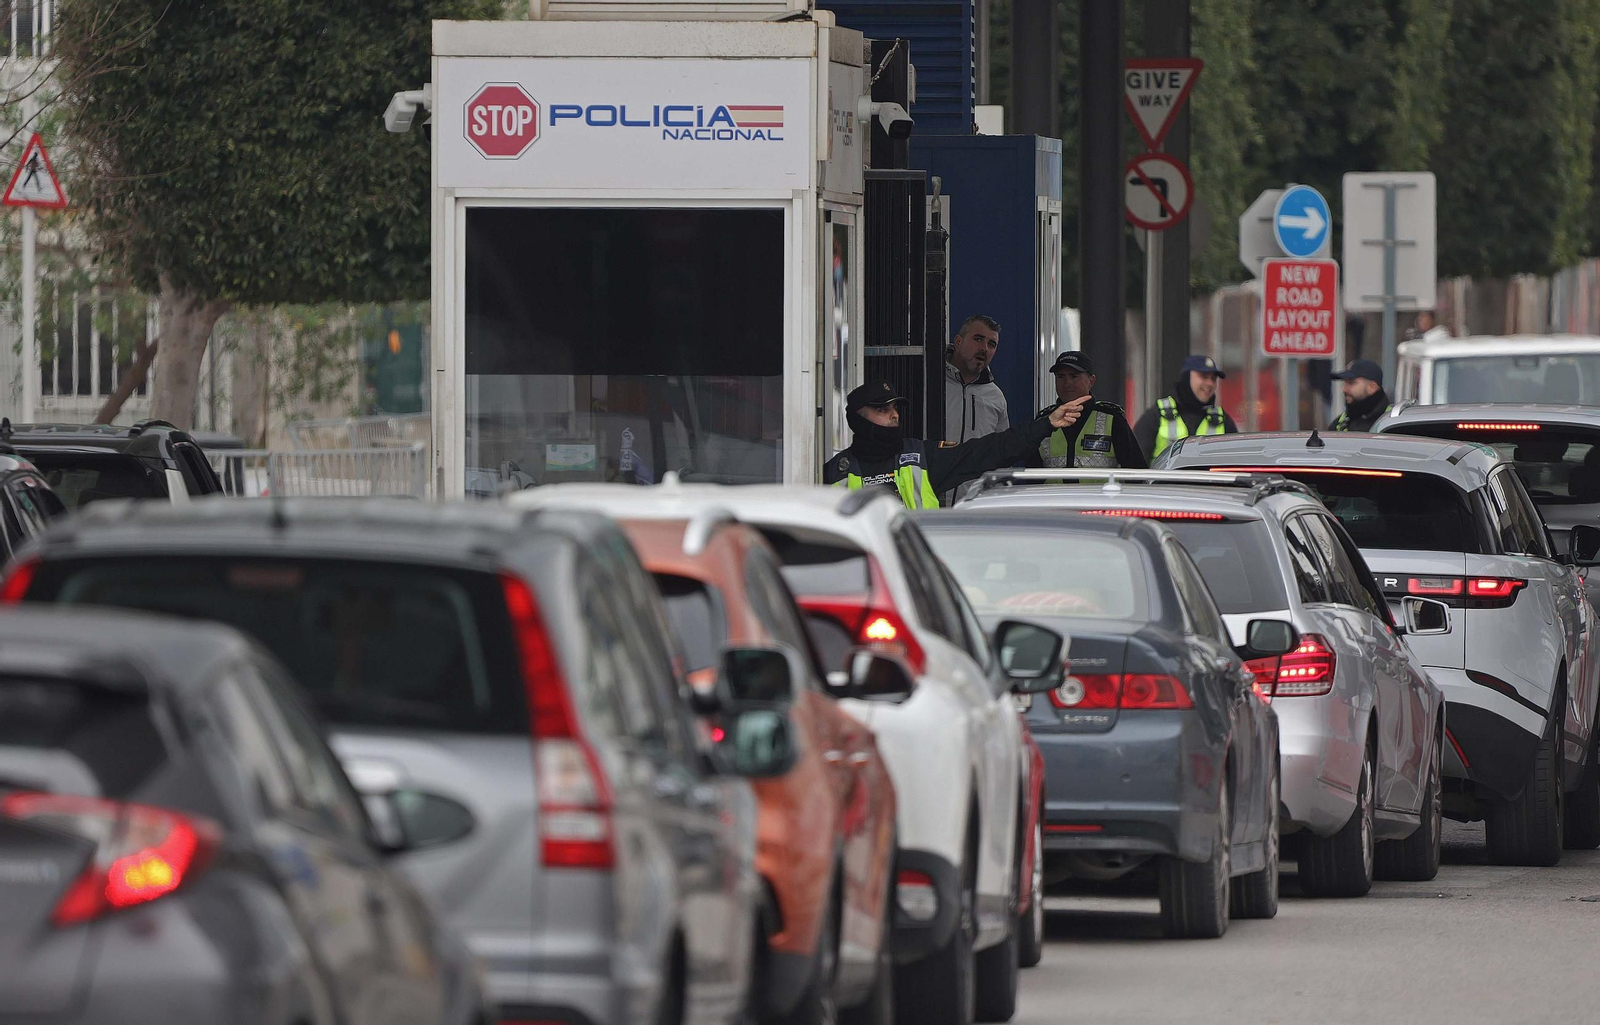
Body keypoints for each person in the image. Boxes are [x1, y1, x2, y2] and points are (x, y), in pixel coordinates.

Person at [826, 381, 1087, 508]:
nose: (894, 415)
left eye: (896, 408)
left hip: (916, 574)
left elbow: (991, 450)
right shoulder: (833, 472)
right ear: (858, 418)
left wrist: (1046, 424)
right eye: (883, 409)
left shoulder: (920, 456)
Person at [1026, 351, 1147, 469]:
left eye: (1074, 376)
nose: (1067, 383)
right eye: (1060, 377)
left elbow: (1136, 473)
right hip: (1050, 490)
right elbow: (1031, 476)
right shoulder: (1044, 421)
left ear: (1091, 381)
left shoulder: (1112, 419)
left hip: (1100, 490)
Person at [1134, 354, 1238, 460]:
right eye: (1204, 376)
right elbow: (1135, 462)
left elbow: (1236, 461)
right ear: (1187, 377)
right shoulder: (1156, 415)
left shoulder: (1222, 420)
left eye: (1213, 378)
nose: (1210, 383)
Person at [945, 315, 1009, 443]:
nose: (984, 348)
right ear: (958, 341)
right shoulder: (929, 383)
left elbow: (1002, 452)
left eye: (991, 344)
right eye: (978, 339)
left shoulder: (995, 397)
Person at [1328, 358, 1391, 432]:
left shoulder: (1391, 422)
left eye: (1351, 383)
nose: (1344, 389)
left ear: (1372, 387)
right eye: (1345, 383)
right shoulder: (1340, 422)